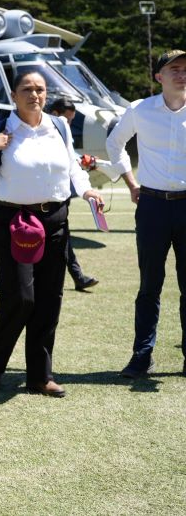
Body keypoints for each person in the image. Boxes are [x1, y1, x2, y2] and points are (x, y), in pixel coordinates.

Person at [0, 72, 105, 397]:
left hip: (55, 219)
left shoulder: (58, 126)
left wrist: (86, 191)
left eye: (40, 89)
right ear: (14, 95)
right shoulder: (1, 128)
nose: (34, 94)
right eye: (27, 89)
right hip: (13, 220)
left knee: (49, 299)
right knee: (20, 297)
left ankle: (39, 377)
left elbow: (72, 165)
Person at [106, 48, 186, 379]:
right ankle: (142, 356)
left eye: (185, 69)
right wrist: (130, 182)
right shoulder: (140, 110)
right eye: (175, 69)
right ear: (159, 77)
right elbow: (115, 143)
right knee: (149, 285)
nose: (182, 74)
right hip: (151, 206)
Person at [46, 97, 99, 292]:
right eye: (67, 120)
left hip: (59, 197)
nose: (68, 124)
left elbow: (70, 156)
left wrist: (84, 161)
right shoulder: (43, 130)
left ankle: (77, 277)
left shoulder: (62, 131)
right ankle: (77, 277)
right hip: (43, 198)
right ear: (55, 114)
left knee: (63, 238)